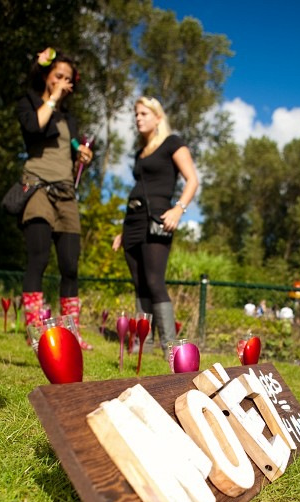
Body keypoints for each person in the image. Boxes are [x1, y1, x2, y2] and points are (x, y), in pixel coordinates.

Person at [17, 47, 93, 349]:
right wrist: (51, 98)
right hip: (37, 188)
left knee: (70, 265)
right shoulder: (30, 103)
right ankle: (35, 331)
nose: (63, 81)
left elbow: (71, 161)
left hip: (66, 193)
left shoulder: (69, 120)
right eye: (57, 76)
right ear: (47, 77)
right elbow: (33, 127)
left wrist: (83, 158)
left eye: (67, 78)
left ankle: (71, 330)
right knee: (38, 258)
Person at [112, 97, 199, 357]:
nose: (138, 118)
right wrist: (123, 230)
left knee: (154, 281)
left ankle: (170, 348)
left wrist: (178, 210)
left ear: (158, 117)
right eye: (136, 114)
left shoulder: (172, 143)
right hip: (133, 221)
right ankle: (143, 343)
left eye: (144, 114)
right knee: (139, 284)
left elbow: (192, 179)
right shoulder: (140, 153)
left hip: (159, 218)